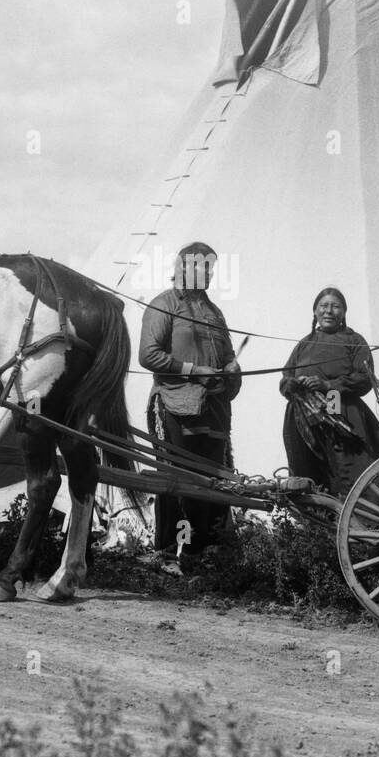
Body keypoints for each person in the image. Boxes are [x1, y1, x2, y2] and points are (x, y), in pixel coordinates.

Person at [139, 242, 241, 569]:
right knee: (175, 480)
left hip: (212, 409)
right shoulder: (163, 305)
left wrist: (232, 368)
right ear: (183, 267)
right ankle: (167, 553)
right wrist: (193, 370)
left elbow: (227, 356)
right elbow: (148, 354)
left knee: (211, 482)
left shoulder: (215, 313)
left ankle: (202, 554)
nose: (209, 274)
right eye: (202, 267)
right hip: (174, 406)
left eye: (211, 268)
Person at [279, 287, 379, 497]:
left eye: (335, 306)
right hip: (303, 416)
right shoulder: (304, 344)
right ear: (315, 311)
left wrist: (327, 385)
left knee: (347, 467)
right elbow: (285, 379)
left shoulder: (354, 341)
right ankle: (319, 522)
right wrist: (293, 385)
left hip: (339, 408)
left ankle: (359, 520)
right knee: (311, 470)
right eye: (323, 306)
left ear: (344, 313)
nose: (329, 311)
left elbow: (365, 378)